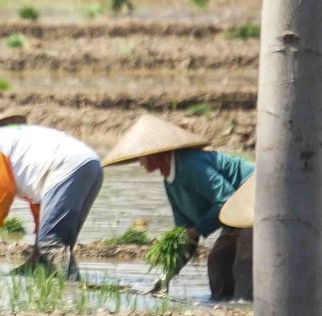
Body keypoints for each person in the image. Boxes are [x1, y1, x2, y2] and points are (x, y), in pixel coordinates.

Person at [102, 113, 254, 300]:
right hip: (235, 215)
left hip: (253, 197)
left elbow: (226, 198)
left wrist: (197, 230)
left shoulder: (190, 165)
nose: (140, 162)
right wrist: (167, 275)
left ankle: (246, 309)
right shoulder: (170, 181)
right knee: (218, 262)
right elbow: (185, 231)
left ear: (158, 153)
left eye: (143, 156)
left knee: (245, 262)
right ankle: (223, 308)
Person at [0, 113, 103, 280]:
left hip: (67, 167)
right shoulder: (11, 140)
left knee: (51, 242)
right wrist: (35, 255)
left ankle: (73, 287)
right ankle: (44, 270)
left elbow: (2, 189)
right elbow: (40, 204)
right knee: (61, 239)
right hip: (91, 164)